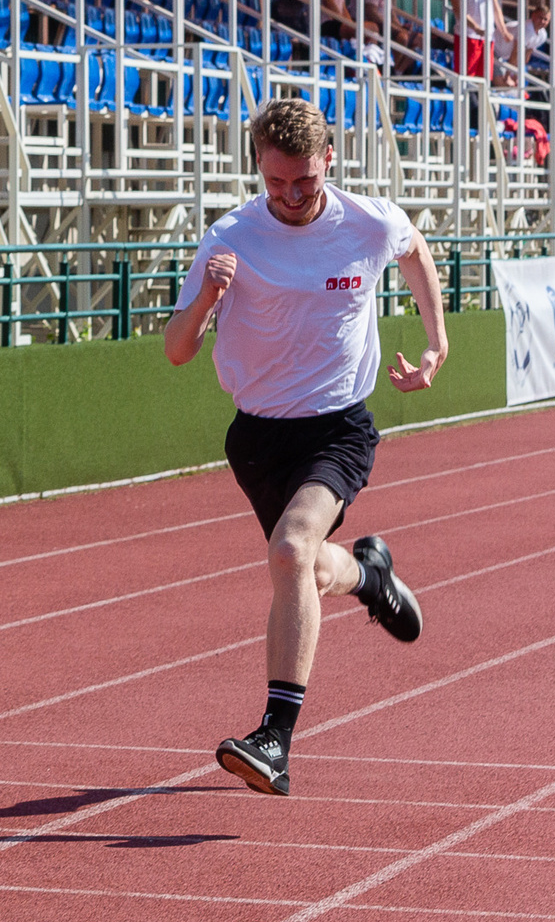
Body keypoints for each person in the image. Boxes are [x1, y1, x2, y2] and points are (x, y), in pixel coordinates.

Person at [163, 96, 446, 798]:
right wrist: (205, 302)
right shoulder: (232, 235)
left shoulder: (368, 221)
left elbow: (414, 251)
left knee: (289, 550)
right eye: (275, 183)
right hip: (257, 437)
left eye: (305, 182)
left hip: (339, 426)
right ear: (259, 168)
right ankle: (370, 576)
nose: (290, 197)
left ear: (329, 161)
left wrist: (436, 343)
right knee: (308, 567)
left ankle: (275, 740)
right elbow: (176, 350)